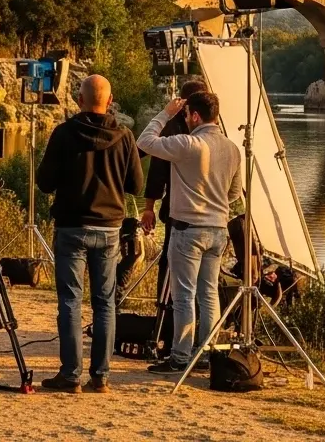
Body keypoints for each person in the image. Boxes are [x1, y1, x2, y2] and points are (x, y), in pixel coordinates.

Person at [36, 75, 143, 394]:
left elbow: (44, 182)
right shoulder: (124, 136)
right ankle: (101, 376)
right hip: (109, 228)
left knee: (69, 300)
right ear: (110, 102)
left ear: (79, 100)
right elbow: (136, 186)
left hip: (71, 227)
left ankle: (70, 375)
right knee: (105, 302)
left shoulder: (64, 133)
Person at [136, 91, 241, 375]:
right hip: (218, 229)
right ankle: (206, 354)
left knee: (183, 295)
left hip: (188, 230)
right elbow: (233, 193)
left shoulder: (187, 143)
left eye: (186, 114)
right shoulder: (232, 149)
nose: (184, 118)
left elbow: (144, 142)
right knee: (208, 294)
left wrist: (166, 113)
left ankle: (180, 357)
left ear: (194, 115)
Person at [138, 79, 206, 358]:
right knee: (192, 281)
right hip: (204, 217)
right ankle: (183, 338)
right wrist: (150, 206)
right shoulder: (209, 131)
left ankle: (172, 338)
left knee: (176, 276)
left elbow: (151, 159)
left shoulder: (181, 129)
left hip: (181, 215)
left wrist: (149, 206)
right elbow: (156, 166)